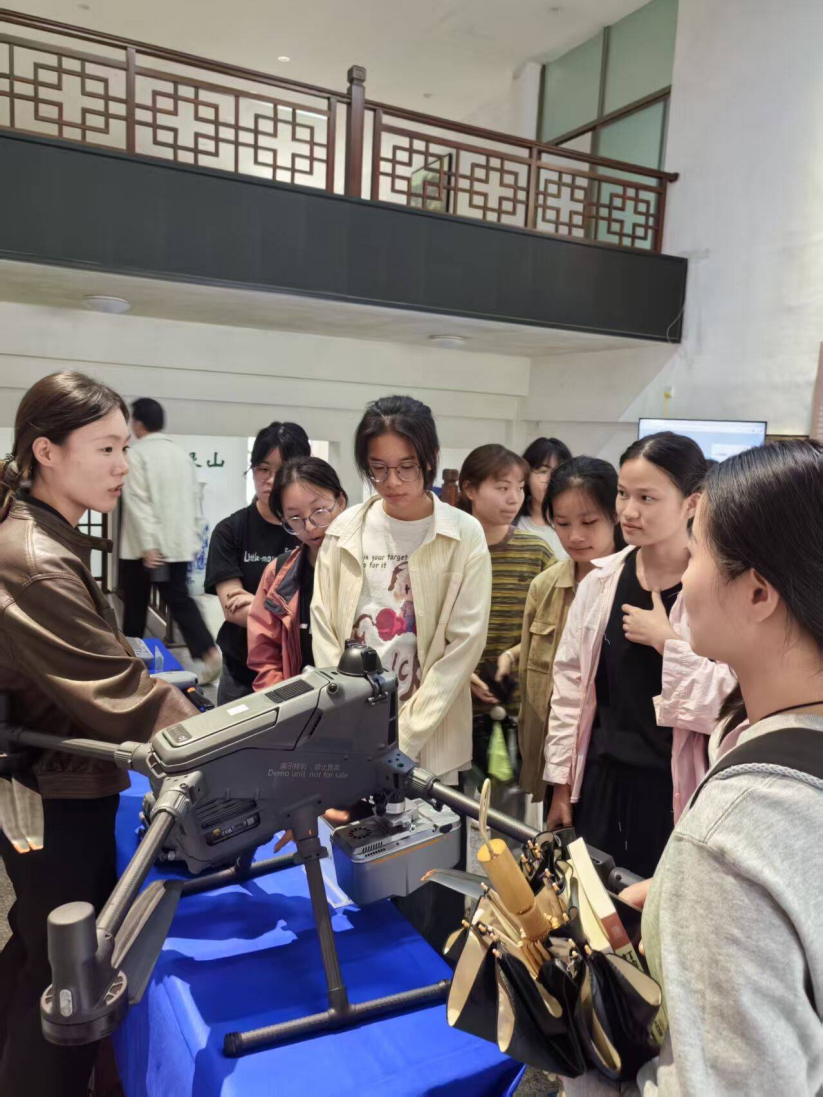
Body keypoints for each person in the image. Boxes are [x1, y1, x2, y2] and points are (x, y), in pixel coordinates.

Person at [0, 372, 196, 1097]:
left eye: (124, 448)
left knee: (37, 956)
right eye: (105, 448)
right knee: (66, 988)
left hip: (53, 779)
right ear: (46, 451)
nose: (121, 465)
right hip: (50, 791)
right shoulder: (34, 557)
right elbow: (122, 696)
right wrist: (245, 744)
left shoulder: (45, 534)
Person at [620, 441, 823, 1094]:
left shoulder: (733, 834)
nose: (685, 575)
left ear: (758, 591)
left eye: (698, 550)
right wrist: (682, 900)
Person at [544, 432, 735, 878]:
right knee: (592, 903)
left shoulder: (719, 588)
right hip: (599, 780)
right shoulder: (601, 581)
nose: (629, 511)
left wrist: (669, 645)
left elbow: (732, 704)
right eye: (623, 494)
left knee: (659, 905)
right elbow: (570, 688)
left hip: (671, 787)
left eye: (647, 498)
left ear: (691, 503)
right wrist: (561, 784)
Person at [312, 395, 491, 782]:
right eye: (378, 468)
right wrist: (351, 717)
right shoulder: (344, 532)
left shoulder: (464, 535)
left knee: (428, 819)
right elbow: (324, 630)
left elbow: (464, 646)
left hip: (431, 734)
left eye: (406, 467)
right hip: (352, 729)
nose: (391, 482)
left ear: (431, 459)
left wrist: (403, 737)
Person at [518, 457, 624, 810]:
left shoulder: (635, 584)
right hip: (557, 760)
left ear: (615, 514)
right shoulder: (544, 586)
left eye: (589, 522)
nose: (575, 536)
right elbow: (531, 686)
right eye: (562, 523)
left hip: (611, 759)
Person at [205, 422, 311, 705]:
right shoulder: (230, 531)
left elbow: (323, 608)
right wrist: (295, 614)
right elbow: (233, 610)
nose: (271, 480)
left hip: (303, 670)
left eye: (282, 469)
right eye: (263, 469)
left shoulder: (312, 530)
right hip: (241, 670)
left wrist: (257, 604)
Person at [120, 397, 221, 682]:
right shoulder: (181, 455)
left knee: (135, 605)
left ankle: (130, 664)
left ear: (138, 423)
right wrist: (192, 540)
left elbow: (138, 502)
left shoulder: (136, 455)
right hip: (178, 545)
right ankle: (208, 652)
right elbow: (194, 499)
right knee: (180, 600)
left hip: (145, 550)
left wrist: (148, 544)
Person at [247, 457, 347, 688]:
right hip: (300, 701)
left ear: (340, 501)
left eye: (319, 511)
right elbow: (264, 657)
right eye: (294, 518)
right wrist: (284, 699)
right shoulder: (278, 574)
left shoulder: (366, 565)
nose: (310, 527)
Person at [516, 436, 573, 561]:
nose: (551, 479)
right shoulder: (512, 523)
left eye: (559, 471)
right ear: (526, 476)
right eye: (543, 471)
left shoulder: (578, 525)